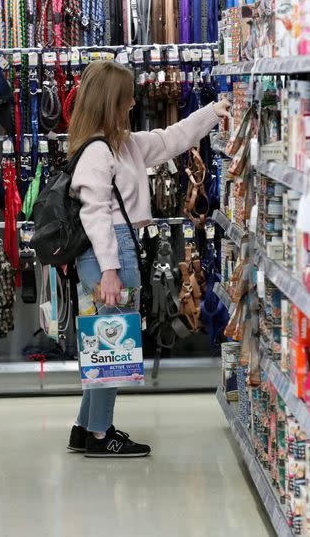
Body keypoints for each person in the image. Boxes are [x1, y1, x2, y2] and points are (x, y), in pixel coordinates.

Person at [66, 61, 232, 458]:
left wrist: (213, 112)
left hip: (118, 248)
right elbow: (95, 214)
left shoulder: (124, 145)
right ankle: (102, 436)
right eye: (126, 96)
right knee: (113, 343)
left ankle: (86, 428)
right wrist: (109, 270)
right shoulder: (98, 152)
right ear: (111, 101)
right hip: (109, 251)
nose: (133, 102)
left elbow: (173, 138)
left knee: (102, 339)